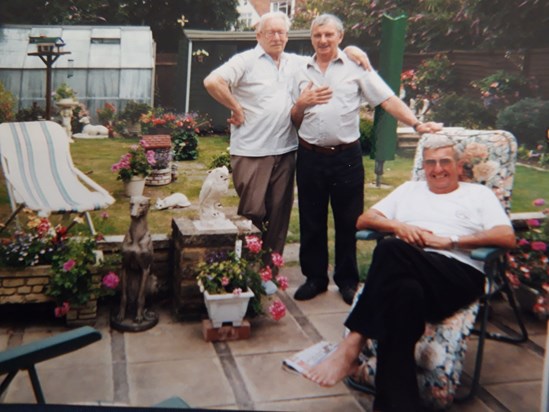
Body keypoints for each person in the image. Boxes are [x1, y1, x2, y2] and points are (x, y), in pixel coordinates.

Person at [303, 134, 516, 412]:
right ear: (423, 165)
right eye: (430, 162)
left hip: (456, 274)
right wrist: (398, 226)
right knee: (403, 296)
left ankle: (352, 345)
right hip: (406, 273)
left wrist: (450, 241)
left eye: (445, 161)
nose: (437, 168)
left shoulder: (478, 194)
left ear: (460, 164)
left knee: (391, 250)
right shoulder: (408, 190)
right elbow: (364, 220)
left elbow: (506, 236)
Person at [290, 14, 442, 305]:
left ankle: (347, 280)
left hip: (346, 157)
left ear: (340, 37)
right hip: (309, 155)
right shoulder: (299, 70)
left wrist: (416, 124)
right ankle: (315, 278)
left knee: (349, 221)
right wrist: (301, 104)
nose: (323, 40)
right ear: (311, 38)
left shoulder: (356, 67)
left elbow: (387, 99)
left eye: (329, 35)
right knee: (311, 219)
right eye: (317, 35)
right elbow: (293, 117)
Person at [203, 11, 370, 260]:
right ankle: (246, 270)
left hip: (286, 150)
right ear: (259, 35)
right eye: (270, 32)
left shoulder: (296, 62)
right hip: (252, 152)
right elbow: (212, 81)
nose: (277, 36)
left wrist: (352, 51)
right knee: (252, 213)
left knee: (279, 217)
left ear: (287, 36)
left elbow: (326, 53)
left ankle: (270, 271)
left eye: (281, 32)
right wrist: (236, 108)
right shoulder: (245, 60)